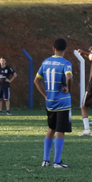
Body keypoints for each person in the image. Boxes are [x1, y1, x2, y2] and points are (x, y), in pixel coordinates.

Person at [34, 38, 73, 168]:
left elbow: (36, 81)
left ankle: (45, 160)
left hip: (50, 102)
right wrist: (69, 89)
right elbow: (69, 77)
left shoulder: (45, 62)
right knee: (60, 130)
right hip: (62, 102)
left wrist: (45, 95)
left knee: (51, 128)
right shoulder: (66, 63)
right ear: (65, 49)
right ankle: (57, 161)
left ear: (53, 48)